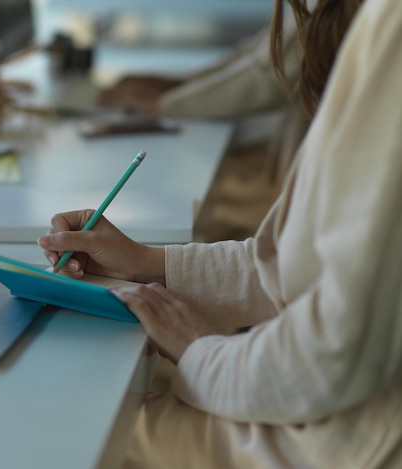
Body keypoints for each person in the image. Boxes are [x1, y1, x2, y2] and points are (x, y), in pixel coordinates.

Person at [37, 0, 402, 466]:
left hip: (353, 440)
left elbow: (336, 353)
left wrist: (200, 352)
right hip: (345, 404)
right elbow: (312, 264)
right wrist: (152, 264)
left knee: (67, 413)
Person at [96, 6, 314, 242]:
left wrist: (168, 103)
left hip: (291, 179)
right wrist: (179, 85)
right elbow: (259, 55)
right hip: (285, 160)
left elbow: (268, 76)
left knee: (185, 211)